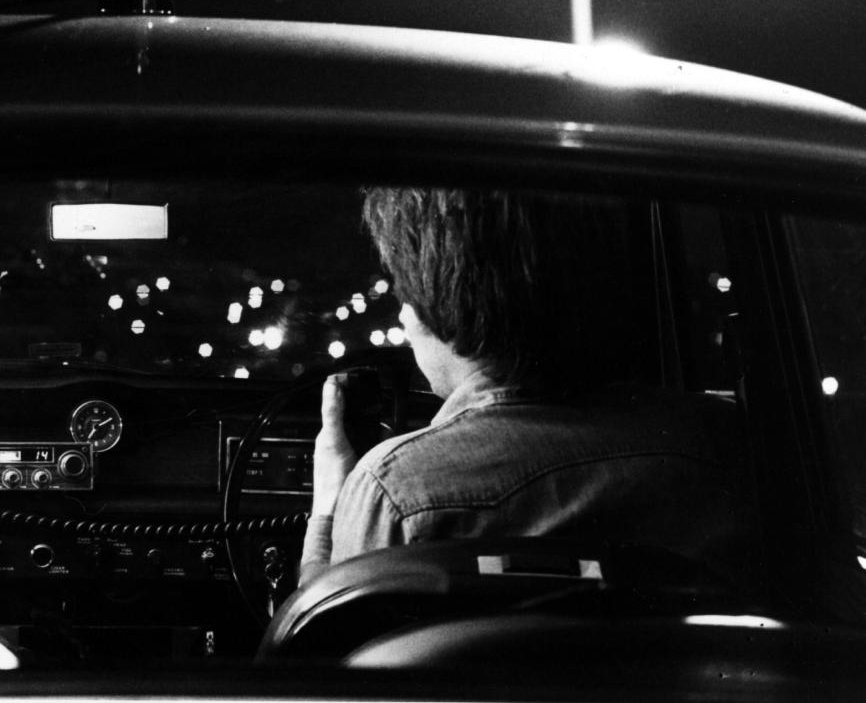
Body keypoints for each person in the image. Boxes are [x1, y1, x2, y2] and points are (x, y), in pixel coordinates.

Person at [300, 187, 753, 585]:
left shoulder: (395, 488)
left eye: (404, 290)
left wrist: (329, 508)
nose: (402, 313)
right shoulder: (726, 442)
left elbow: (319, 656)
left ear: (431, 301)